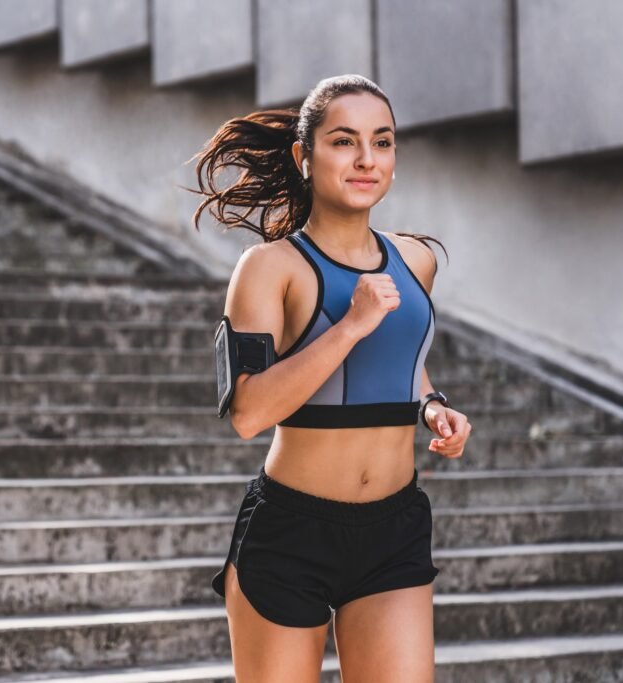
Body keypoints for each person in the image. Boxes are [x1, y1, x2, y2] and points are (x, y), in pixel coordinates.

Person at [184, 74, 473, 682]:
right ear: (304, 155)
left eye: (383, 141)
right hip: (292, 532)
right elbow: (248, 413)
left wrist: (432, 407)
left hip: (393, 530)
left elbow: (404, 365)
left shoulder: (415, 259)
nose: (367, 159)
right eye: (344, 141)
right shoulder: (268, 268)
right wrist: (349, 326)